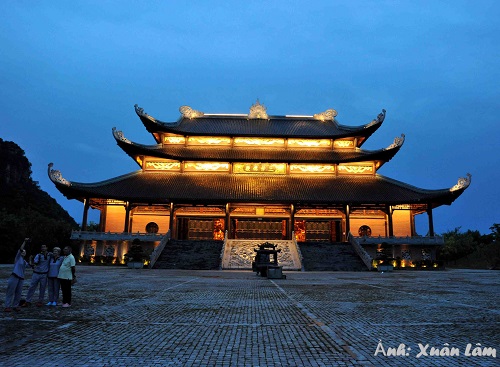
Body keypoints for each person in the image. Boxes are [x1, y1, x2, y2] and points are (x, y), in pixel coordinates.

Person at [4, 238, 30, 312]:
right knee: (10, 292)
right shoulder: (18, 258)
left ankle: (15, 305)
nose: (23, 252)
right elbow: (21, 248)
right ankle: (7, 306)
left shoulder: (24, 261)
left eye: (24, 252)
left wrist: (32, 260)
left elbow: (31, 266)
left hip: (21, 278)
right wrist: (24, 242)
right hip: (15, 276)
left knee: (18, 293)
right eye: (22, 252)